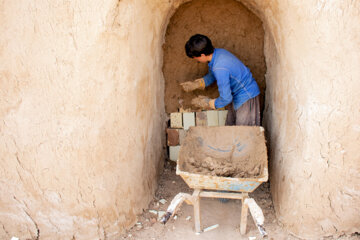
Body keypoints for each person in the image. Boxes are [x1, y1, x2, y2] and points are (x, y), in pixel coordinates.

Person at [181, 34, 261, 126]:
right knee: (230, 128)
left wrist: (208, 103)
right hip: (235, 95)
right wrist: (198, 84)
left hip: (247, 96)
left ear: (202, 55)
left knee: (243, 133)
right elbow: (213, 75)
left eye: (195, 58)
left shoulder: (219, 67)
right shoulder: (218, 54)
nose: (196, 60)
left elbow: (226, 98)